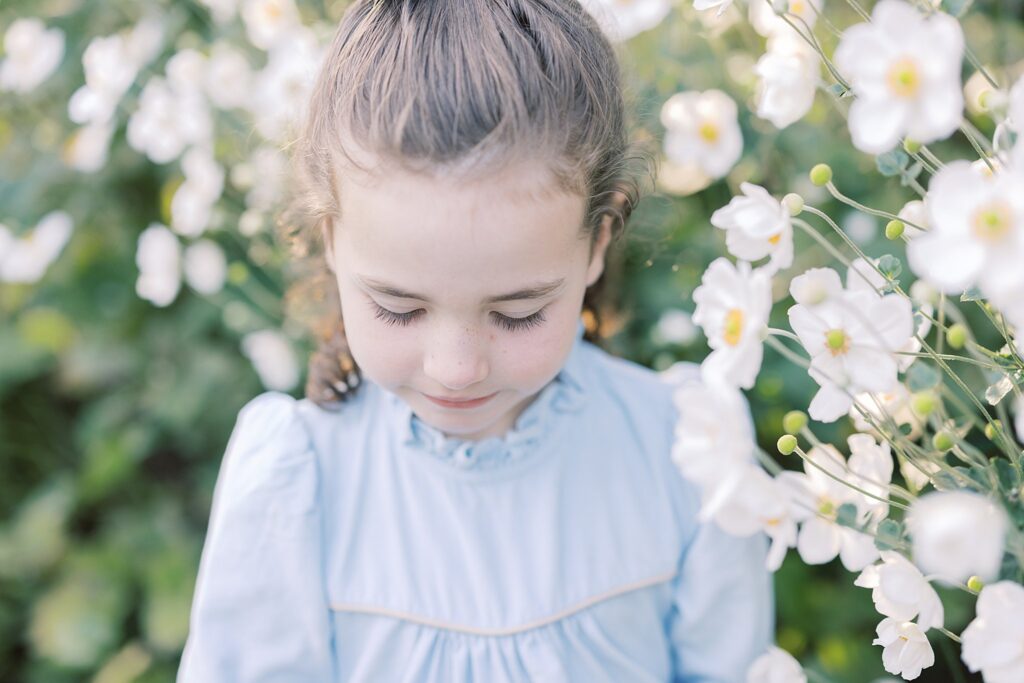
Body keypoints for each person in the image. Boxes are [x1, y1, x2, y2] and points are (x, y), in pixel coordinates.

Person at [177, 0, 773, 680]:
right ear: (330, 240)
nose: (456, 369)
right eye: (400, 309)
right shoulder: (298, 480)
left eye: (518, 313)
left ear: (597, 242)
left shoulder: (689, 454)